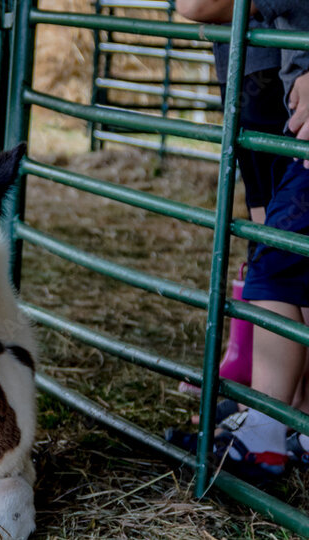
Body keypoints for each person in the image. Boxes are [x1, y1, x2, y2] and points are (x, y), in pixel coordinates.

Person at [173, 0, 309, 481]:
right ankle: (288, 418)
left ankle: (268, 432)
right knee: (279, 254)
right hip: (265, 68)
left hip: (291, 75)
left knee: (280, 264)